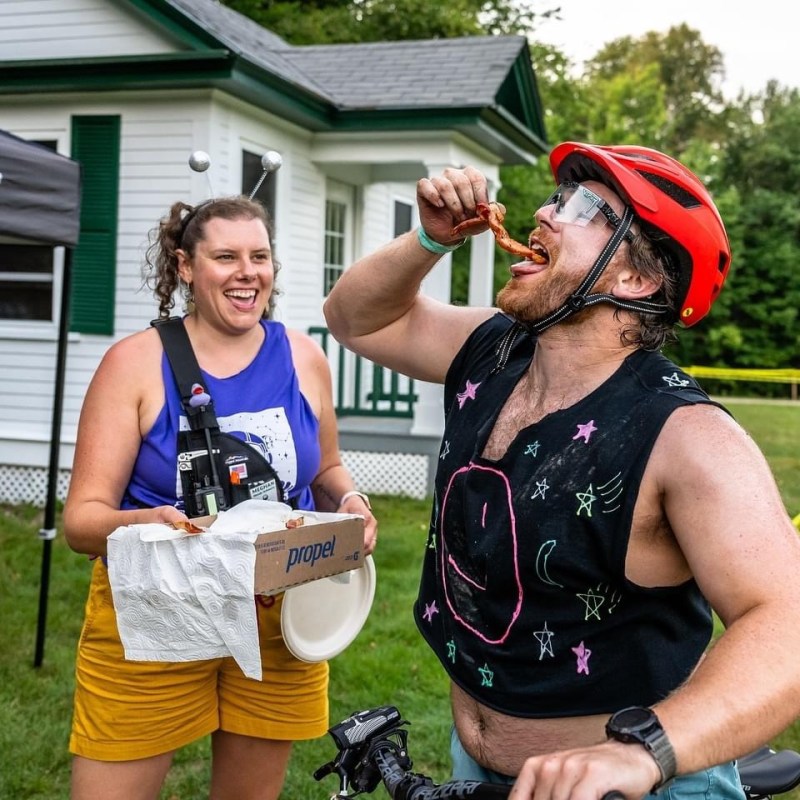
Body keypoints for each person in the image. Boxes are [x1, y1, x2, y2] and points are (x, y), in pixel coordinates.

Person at [322, 142, 800, 800]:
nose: (543, 213)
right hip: (478, 768)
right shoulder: (493, 351)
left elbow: (786, 624)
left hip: (634, 782)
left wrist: (643, 752)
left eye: (582, 208)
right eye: (557, 197)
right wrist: (429, 241)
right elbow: (354, 319)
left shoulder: (686, 434)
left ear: (635, 280)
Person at [63, 195, 378, 800]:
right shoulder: (133, 363)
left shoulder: (304, 357)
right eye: (226, 257)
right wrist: (152, 523)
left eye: (259, 256)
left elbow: (327, 468)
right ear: (185, 267)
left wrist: (351, 501)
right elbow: (81, 522)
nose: (247, 272)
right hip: (156, 612)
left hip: (280, 618)